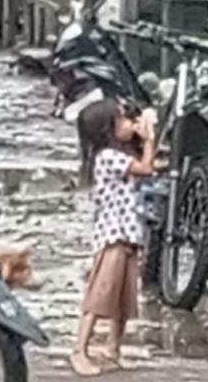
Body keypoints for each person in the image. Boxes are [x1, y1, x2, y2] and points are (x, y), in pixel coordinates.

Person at [71, 99, 156, 377]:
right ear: (107, 129)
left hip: (128, 234)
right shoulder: (107, 157)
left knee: (122, 297)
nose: (128, 124)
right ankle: (79, 350)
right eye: (121, 121)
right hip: (113, 236)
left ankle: (113, 348)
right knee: (100, 293)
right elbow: (146, 168)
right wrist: (149, 140)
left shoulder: (116, 156)